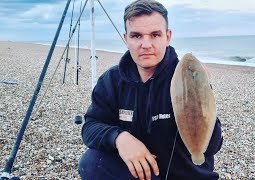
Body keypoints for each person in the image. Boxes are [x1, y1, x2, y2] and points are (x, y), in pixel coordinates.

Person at [78, 0, 223, 179]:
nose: (146, 44)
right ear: (126, 38)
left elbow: (213, 146)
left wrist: (204, 95)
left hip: (189, 175)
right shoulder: (111, 81)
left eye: (155, 35)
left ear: (167, 37)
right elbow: (91, 126)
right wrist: (120, 138)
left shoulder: (186, 78)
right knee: (91, 163)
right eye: (137, 36)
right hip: (145, 175)